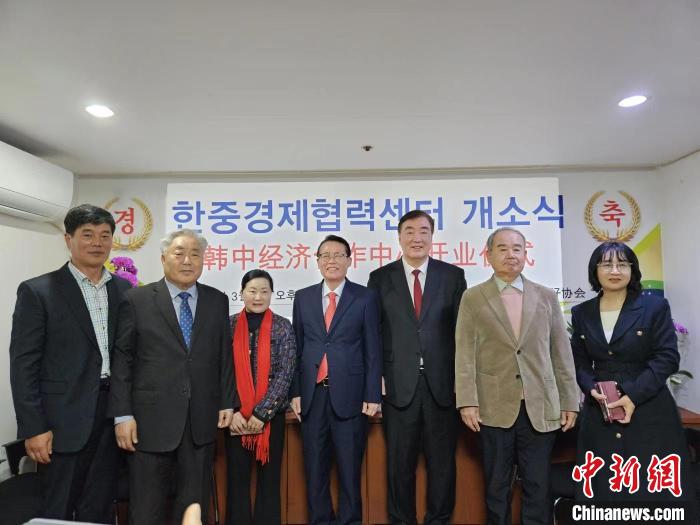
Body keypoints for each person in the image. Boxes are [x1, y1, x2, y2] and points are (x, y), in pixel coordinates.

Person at [9, 204, 132, 522]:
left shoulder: (123, 290)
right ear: (68, 239)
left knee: (100, 505)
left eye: (105, 235)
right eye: (87, 235)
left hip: (110, 415)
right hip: (62, 421)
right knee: (58, 508)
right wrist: (34, 428)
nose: (97, 243)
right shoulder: (39, 291)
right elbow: (23, 365)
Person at [109, 229, 235, 525]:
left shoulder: (217, 300)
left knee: (192, 506)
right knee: (147, 508)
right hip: (149, 422)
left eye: (195, 254)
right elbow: (123, 360)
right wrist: (122, 415)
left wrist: (227, 401)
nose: (187, 260)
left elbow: (223, 355)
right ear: (164, 258)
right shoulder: (136, 299)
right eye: (179, 253)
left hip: (200, 421)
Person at [455, 227, 578, 525]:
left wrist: (569, 401)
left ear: (525, 254)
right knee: (497, 486)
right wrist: (467, 401)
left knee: (538, 485)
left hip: (540, 405)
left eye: (517, 248)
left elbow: (561, 353)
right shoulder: (473, 297)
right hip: (493, 407)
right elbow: (464, 353)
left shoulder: (546, 296)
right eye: (502, 248)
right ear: (489, 255)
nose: (510, 254)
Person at [570, 241, 693, 502]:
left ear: (632, 270)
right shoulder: (582, 312)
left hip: (648, 407)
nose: (615, 270)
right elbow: (578, 361)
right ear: (595, 270)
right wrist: (590, 388)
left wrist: (633, 395)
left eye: (622, 264)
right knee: (604, 487)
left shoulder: (654, 307)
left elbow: (667, 357)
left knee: (652, 490)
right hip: (600, 409)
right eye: (607, 264)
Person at [367, 210, 466, 525]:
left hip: (442, 385)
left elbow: (462, 333)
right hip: (398, 384)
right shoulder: (380, 278)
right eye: (409, 231)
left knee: (442, 465)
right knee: (399, 465)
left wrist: (462, 381)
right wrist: (376, 379)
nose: (417, 238)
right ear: (399, 237)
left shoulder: (452, 276)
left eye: (424, 231)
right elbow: (374, 333)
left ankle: (439, 520)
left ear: (432, 236)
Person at [290, 234, 381, 525]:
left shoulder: (365, 297)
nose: (332, 261)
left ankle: (350, 520)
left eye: (338, 255)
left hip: (351, 396)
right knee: (315, 469)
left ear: (349, 260)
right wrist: (295, 392)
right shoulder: (303, 297)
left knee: (349, 469)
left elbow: (372, 349)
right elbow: (297, 348)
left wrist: (372, 394)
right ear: (317, 261)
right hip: (313, 395)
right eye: (325, 256)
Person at [226, 269, 296, 525]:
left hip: (270, 417)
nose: (258, 297)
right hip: (235, 418)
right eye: (252, 291)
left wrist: (262, 413)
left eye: (264, 291)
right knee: (236, 481)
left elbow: (285, 373)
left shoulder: (282, 326)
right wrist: (233, 409)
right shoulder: (228, 325)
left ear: (271, 294)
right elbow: (222, 371)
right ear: (241, 293)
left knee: (270, 481)